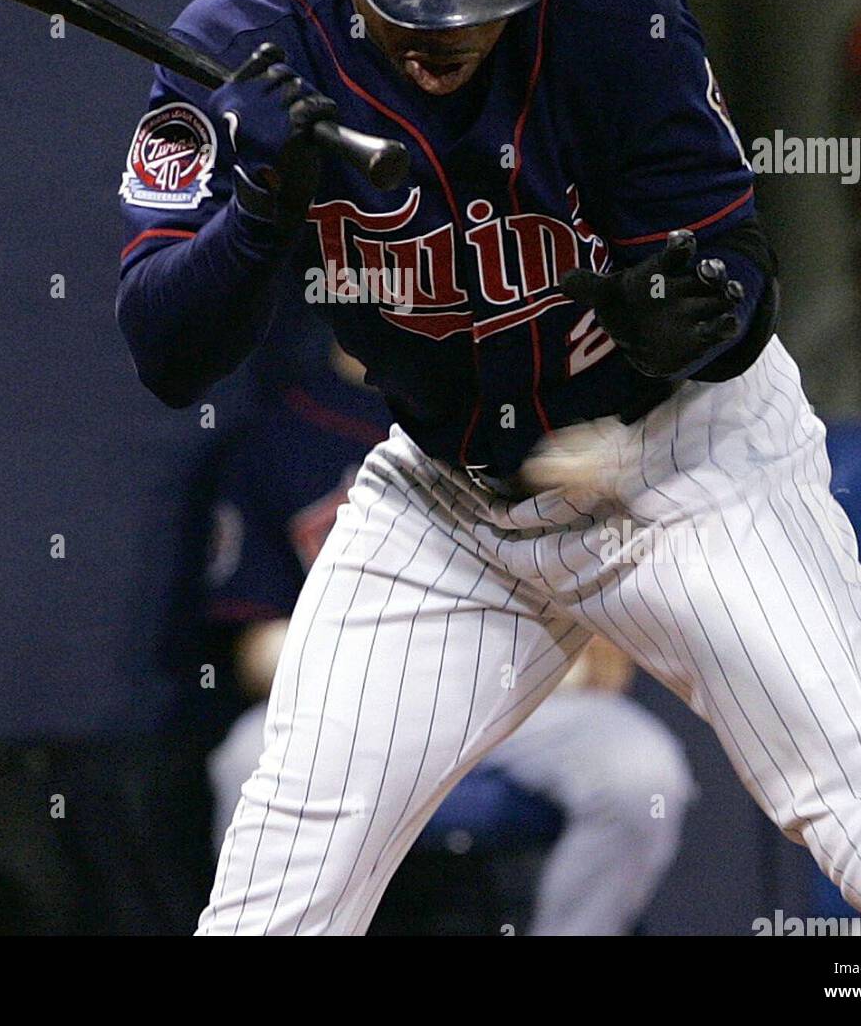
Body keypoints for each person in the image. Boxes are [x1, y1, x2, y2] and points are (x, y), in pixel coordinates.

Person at [116, 0, 861, 934]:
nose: (454, 32)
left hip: (678, 468)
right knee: (279, 887)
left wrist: (683, 317)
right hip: (451, 503)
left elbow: (739, 283)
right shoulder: (243, 39)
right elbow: (164, 349)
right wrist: (261, 212)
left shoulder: (617, 21)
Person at [206, 341, 694, 935]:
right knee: (242, 762)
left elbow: (608, 667)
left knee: (643, 776)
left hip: (520, 694)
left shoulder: (523, 412)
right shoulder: (281, 437)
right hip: (349, 703)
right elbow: (257, 656)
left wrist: (603, 494)